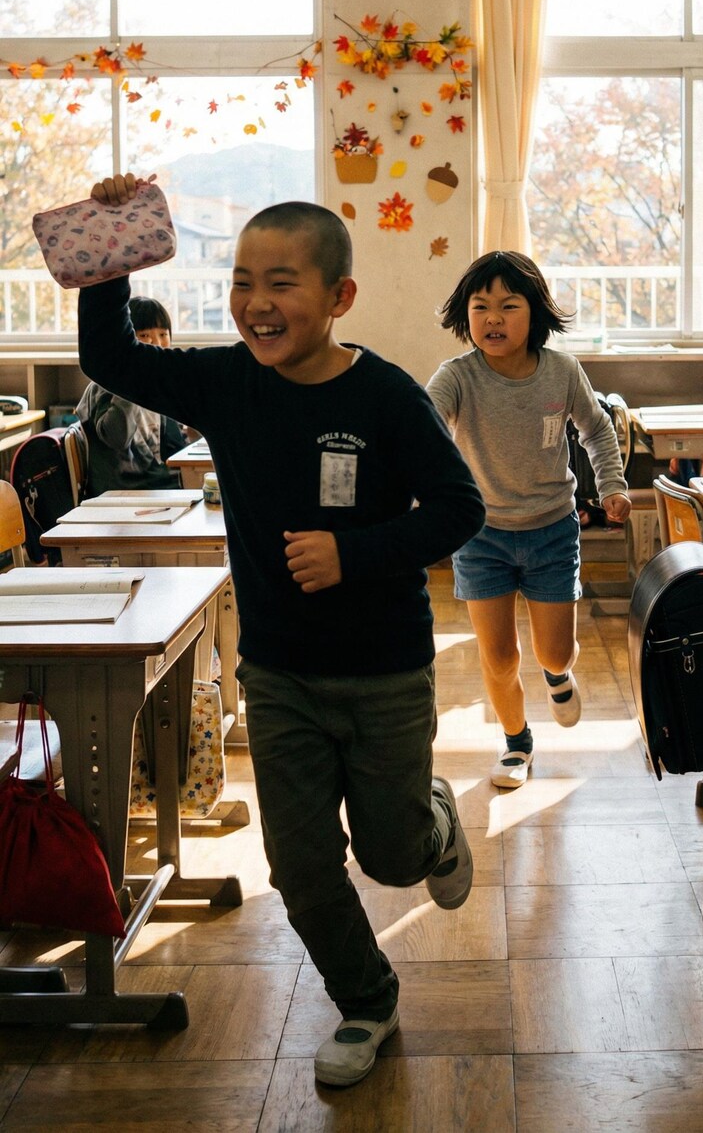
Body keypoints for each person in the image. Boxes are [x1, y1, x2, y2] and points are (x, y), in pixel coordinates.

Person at [77, 173, 485, 1091]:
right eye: (242, 283)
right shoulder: (226, 383)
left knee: (387, 853)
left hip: (384, 671)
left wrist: (357, 553)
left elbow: (462, 507)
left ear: (339, 297)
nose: (256, 304)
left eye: (282, 283)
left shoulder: (385, 397)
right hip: (279, 673)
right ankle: (367, 1001)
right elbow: (110, 357)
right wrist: (109, 250)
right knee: (300, 866)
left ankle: (430, 820)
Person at [427, 250, 631, 791]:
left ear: (534, 312)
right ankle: (517, 744)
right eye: (480, 306)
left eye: (508, 305)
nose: (492, 318)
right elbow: (425, 423)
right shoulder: (456, 377)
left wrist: (611, 486)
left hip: (551, 531)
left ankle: (559, 676)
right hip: (481, 536)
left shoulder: (561, 371)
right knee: (497, 657)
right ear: (464, 316)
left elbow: (598, 430)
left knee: (552, 650)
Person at [76, 295, 190, 496]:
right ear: (124, 340)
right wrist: (129, 382)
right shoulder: (105, 385)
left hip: (158, 485)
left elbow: (175, 447)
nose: (157, 343)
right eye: (145, 335)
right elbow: (117, 438)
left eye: (163, 334)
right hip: (125, 493)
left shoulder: (156, 383)